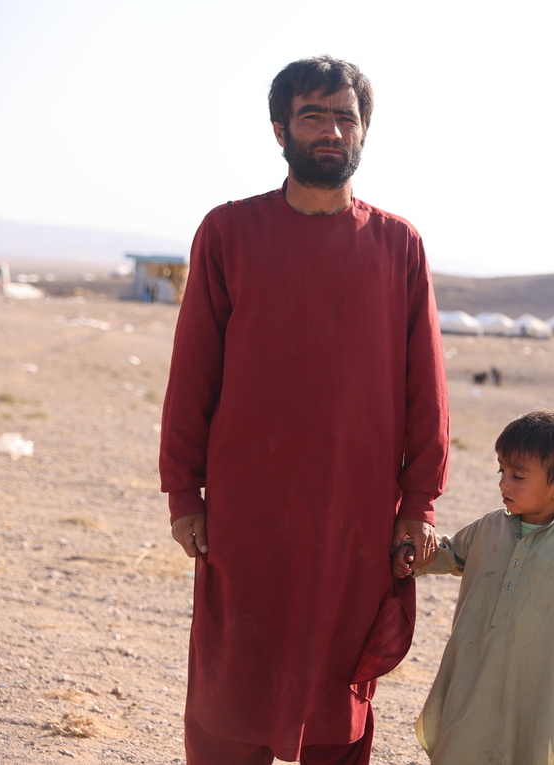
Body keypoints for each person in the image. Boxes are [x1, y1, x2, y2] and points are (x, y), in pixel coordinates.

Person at [158, 55, 449, 765]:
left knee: (339, 695)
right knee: (231, 689)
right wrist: (183, 492)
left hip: (355, 512)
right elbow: (192, 373)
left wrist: (419, 504)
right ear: (279, 129)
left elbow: (427, 389)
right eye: (313, 115)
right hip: (245, 507)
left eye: (345, 117)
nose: (331, 130)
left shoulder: (398, 244)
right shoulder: (228, 232)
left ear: (364, 131)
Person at [393, 409, 554, 765]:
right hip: (474, 671)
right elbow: (448, 553)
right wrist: (412, 556)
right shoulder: (489, 528)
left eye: (518, 476)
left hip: (538, 684)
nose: (504, 484)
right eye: (502, 471)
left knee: (527, 749)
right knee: (462, 742)